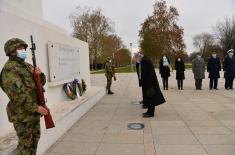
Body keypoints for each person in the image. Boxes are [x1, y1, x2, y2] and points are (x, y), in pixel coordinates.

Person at [0, 38, 48, 155]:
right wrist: (36, 108)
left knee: (34, 141)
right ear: (11, 51)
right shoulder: (9, 69)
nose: (23, 51)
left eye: (23, 48)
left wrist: (39, 74)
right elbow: (17, 95)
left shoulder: (27, 66)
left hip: (33, 114)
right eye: (20, 48)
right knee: (26, 146)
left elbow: (41, 83)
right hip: (22, 116)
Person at [133, 53, 165, 117]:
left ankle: (150, 113)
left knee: (151, 98)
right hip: (147, 83)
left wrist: (149, 85)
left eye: (137, 59)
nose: (137, 61)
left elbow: (149, 73)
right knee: (149, 98)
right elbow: (141, 71)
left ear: (139, 57)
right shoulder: (144, 60)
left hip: (149, 83)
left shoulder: (146, 61)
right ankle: (149, 111)